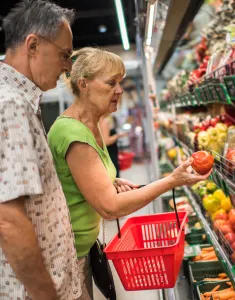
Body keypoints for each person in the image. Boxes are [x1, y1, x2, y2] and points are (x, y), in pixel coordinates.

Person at [48, 47, 212, 300]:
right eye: (111, 82)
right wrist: (173, 180)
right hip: (66, 255)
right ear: (84, 84)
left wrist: (108, 180)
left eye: (120, 82)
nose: (120, 90)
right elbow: (110, 208)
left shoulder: (90, 123)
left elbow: (72, 178)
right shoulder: (72, 133)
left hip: (82, 246)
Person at [0, 1, 81, 299]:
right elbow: (7, 220)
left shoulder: (20, 101)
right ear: (33, 45)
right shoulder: (11, 105)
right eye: (64, 55)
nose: (67, 67)